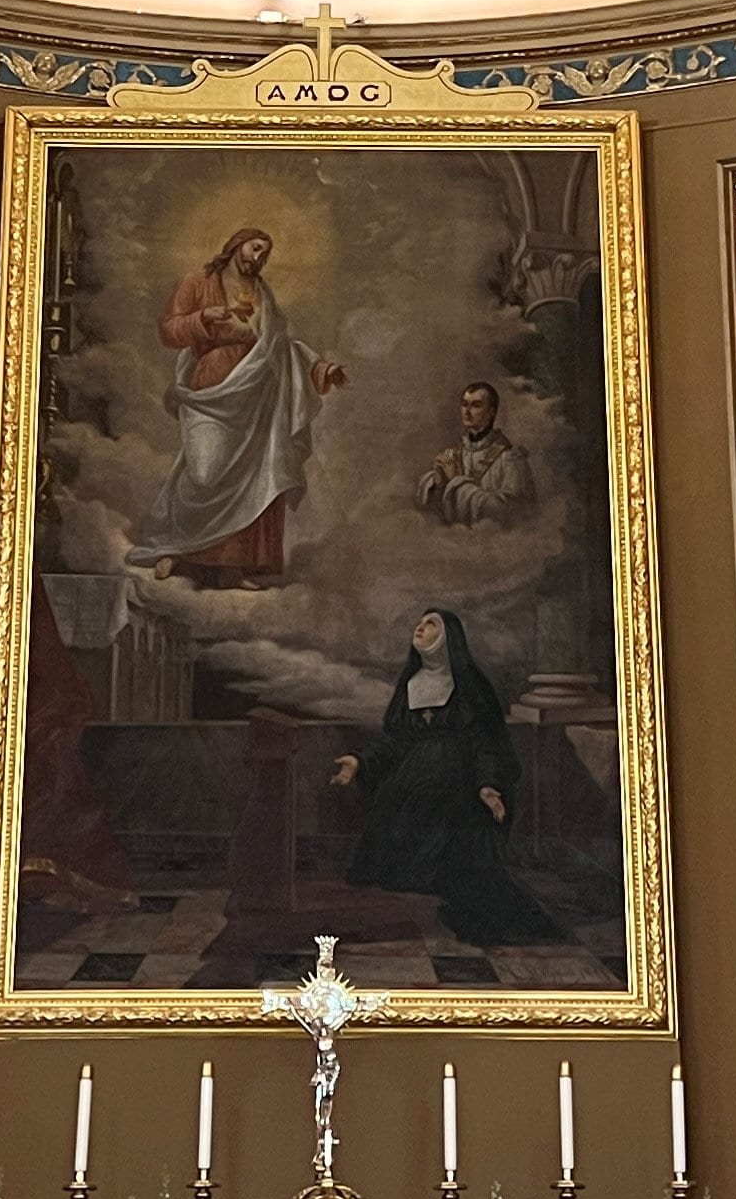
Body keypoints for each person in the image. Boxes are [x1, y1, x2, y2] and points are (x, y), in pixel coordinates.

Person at [126, 226, 343, 586]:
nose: (259, 259)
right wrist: (202, 319)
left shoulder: (262, 293)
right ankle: (178, 551)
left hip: (258, 392)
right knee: (205, 473)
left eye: (265, 254)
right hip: (213, 385)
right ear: (235, 246)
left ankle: (232, 567)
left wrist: (319, 368)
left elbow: (281, 345)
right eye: (255, 249)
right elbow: (168, 330)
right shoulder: (200, 281)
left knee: (254, 474)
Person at [332, 610, 557, 950]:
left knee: (459, 864)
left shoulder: (469, 686)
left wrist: (487, 785)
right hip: (409, 787)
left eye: (430, 624)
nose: (420, 628)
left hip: (457, 788)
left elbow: (484, 743)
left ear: (448, 638)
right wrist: (359, 762)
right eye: (419, 624)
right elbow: (395, 740)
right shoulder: (410, 684)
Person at [418, 380, 532, 525]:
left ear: (491, 412)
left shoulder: (510, 459)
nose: (467, 411)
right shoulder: (452, 454)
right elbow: (433, 513)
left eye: (476, 406)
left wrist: (456, 481)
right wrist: (439, 484)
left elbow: (514, 513)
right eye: (464, 404)